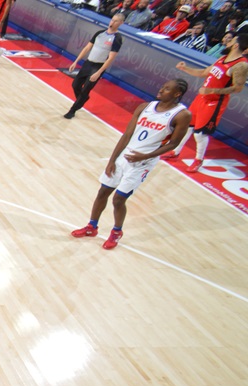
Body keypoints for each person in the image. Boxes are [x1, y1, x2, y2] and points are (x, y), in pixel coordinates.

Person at [70, 79, 191, 249]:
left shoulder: (181, 115)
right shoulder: (144, 107)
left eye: (167, 89)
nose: (162, 89)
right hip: (124, 156)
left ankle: (116, 232)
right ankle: (92, 227)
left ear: (177, 94)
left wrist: (146, 155)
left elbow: (173, 144)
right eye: (163, 86)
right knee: (103, 192)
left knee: (119, 199)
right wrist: (112, 160)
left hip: (144, 162)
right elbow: (126, 135)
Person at [163, 31, 247, 171]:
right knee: (187, 126)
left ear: (236, 45)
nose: (228, 41)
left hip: (215, 102)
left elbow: (238, 88)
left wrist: (212, 91)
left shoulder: (241, 65)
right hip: (201, 98)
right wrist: (185, 68)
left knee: (200, 133)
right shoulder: (223, 57)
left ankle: (198, 160)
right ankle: (175, 151)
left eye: (232, 41)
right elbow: (204, 73)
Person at [64, 13, 125, 119]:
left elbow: (111, 58)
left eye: (116, 21)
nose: (112, 22)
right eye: (112, 20)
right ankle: (83, 99)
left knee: (86, 88)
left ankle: (72, 110)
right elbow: (87, 48)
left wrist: (99, 72)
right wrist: (76, 61)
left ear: (121, 23)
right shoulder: (100, 33)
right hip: (88, 63)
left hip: (98, 66)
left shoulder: (117, 38)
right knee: (75, 85)